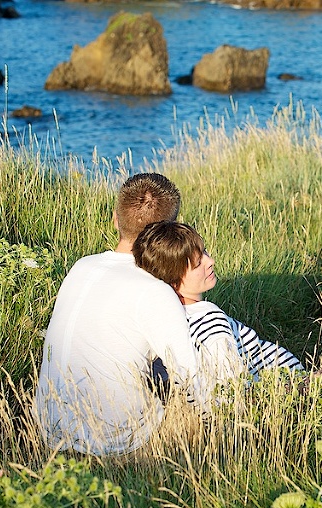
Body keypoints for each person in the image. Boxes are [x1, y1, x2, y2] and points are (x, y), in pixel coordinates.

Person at [33, 173, 203, 456]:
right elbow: (192, 379)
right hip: (113, 438)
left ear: (115, 218)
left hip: (48, 426)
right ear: (167, 233)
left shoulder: (82, 266)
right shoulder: (154, 290)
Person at [131, 220, 322, 401]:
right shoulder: (210, 322)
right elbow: (235, 397)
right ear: (174, 281)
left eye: (204, 252)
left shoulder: (161, 320)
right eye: (198, 263)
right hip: (290, 396)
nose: (210, 260)